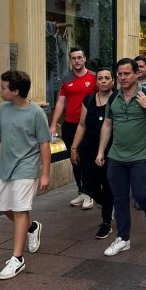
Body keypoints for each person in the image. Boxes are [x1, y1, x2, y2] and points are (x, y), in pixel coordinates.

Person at [0, 70, 50, 280]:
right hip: (6, 167)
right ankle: (32, 227)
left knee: (19, 210)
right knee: (6, 208)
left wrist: (44, 174)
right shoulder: (2, 110)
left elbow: (44, 145)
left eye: (3, 87)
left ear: (15, 91)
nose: (0, 91)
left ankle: (17, 259)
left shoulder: (36, 113)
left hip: (27, 168)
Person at [96, 58, 146, 256]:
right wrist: (101, 151)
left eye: (126, 73)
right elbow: (107, 125)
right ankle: (123, 238)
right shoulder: (113, 98)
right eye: (119, 74)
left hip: (140, 156)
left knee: (140, 194)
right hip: (116, 156)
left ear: (136, 74)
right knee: (119, 198)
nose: (122, 77)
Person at [70, 67, 116, 239]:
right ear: (96, 81)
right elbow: (82, 125)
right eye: (100, 78)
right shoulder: (88, 100)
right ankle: (110, 206)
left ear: (112, 81)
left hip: (110, 150)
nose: (103, 81)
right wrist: (74, 148)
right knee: (89, 186)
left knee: (108, 185)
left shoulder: (117, 99)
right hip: (88, 149)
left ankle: (106, 223)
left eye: (107, 78)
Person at [49, 47, 96, 208]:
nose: (76, 61)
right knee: (74, 159)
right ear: (70, 60)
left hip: (89, 125)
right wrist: (53, 124)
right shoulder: (65, 79)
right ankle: (81, 192)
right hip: (70, 125)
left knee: (88, 159)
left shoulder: (94, 78)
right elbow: (61, 102)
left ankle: (91, 193)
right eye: (73, 58)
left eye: (79, 57)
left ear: (84, 59)